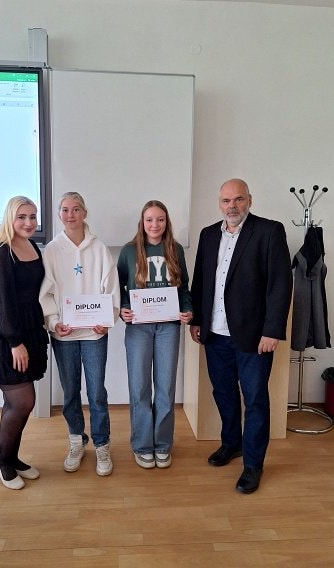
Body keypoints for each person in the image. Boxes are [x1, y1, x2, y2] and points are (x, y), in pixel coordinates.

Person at [190, 179, 292, 494]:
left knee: (255, 399)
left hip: (254, 337)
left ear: (249, 200)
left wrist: (272, 330)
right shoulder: (208, 235)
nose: (232, 206)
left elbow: (280, 284)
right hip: (215, 334)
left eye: (238, 199)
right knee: (223, 393)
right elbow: (201, 281)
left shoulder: (269, 231)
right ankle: (231, 443)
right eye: (226, 201)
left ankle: (253, 464)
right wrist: (197, 320)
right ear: (219, 203)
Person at [39, 192, 119, 477]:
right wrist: (54, 322)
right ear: (59, 214)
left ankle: (102, 444)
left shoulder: (99, 248)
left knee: (97, 392)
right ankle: (76, 440)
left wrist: (106, 320)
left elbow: (111, 287)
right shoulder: (51, 250)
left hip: (94, 335)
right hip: (65, 335)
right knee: (71, 391)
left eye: (75, 209)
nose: (70, 215)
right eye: (65, 210)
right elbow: (45, 292)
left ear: (84, 213)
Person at [0, 196, 49, 490]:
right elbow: (1, 302)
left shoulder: (32, 247)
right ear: (10, 218)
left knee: (17, 403)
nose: (29, 223)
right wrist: (15, 343)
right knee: (23, 401)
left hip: (29, 330)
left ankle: (13, 457)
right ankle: (3, 461)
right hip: (6, 336)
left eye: (33, 216)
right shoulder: (0, 252)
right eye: (22, 217)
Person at [118, 200, 193, 469]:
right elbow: (118, 287)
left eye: (160, 219)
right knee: (139, 387)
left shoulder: (175, 249)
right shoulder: (129, 251)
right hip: (138, 327)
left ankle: (162, 444)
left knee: (165, 387)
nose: (155, 224)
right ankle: (141, 445)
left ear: (166, 222)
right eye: (149, 219)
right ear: (142, 222)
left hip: (168, 327)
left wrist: (187, 310)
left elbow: (184, 287)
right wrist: (123, 309)